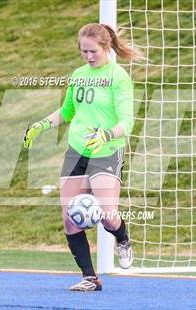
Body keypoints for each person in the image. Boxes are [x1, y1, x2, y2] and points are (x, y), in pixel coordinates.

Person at [23, 23, 141, 291]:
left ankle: (122, 238)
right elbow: (67, 112)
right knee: (70, 217)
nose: (88, 56)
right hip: (77, 150)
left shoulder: (118, 78)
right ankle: (90, 277)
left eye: (93, 51)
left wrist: (107, 135)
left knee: (107, 213)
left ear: (106, 47)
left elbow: (127, 122)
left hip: (107, 150)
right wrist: (40, 126)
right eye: (84, 51)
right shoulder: (78, 75)